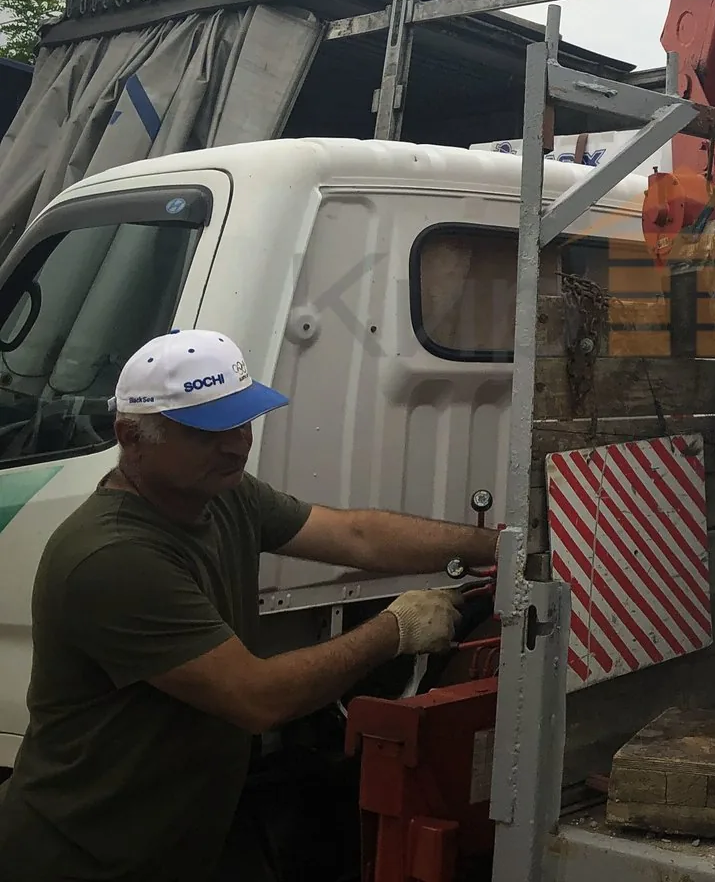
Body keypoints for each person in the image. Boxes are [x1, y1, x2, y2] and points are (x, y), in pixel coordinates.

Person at [0, 329, 501, 881]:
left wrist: (499, 546)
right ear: (131, 436)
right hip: (79, 858)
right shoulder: (115, 557)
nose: (237, 444)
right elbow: (257, 698)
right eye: (208, 431)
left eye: (243, 420)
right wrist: (395, 629)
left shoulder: (223, 493)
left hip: (172, 847)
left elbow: (356, 536)